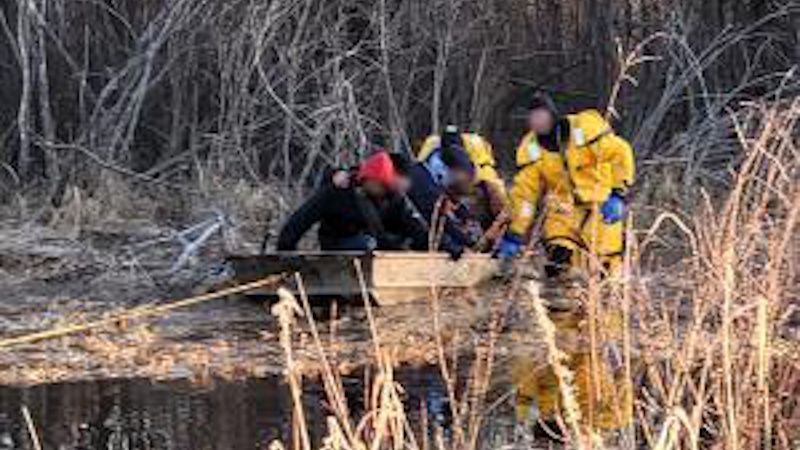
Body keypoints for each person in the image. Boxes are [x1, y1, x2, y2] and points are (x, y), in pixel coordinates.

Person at [497, 93, 635, 282]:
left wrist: (618, 193)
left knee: (606, 270)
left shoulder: (584, 129)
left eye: (542, 116)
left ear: (552, 115)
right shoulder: (531, 149)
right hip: (563, 211)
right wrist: (516, 232)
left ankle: (603, 304)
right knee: (558, 263)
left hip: (601, 206)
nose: (538, 122)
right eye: (533, 117)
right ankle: (560, 304)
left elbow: (621, 153)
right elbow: (525, 195)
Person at [277, 151, 435, 254]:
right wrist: (286, 251)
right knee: (368, 244)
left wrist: (433, 246)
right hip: (340, 245)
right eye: (380, 185)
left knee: (399, 243)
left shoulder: (391, 197)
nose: (382, 190)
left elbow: (414, 226)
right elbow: (301, 219)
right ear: (368, 180)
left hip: (377, 245)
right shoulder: (338, 192)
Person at [406, 140, 479, 259]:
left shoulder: (428, 175)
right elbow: (437, 220)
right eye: (460, 173)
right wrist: (468, 242)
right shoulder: (424, 185)